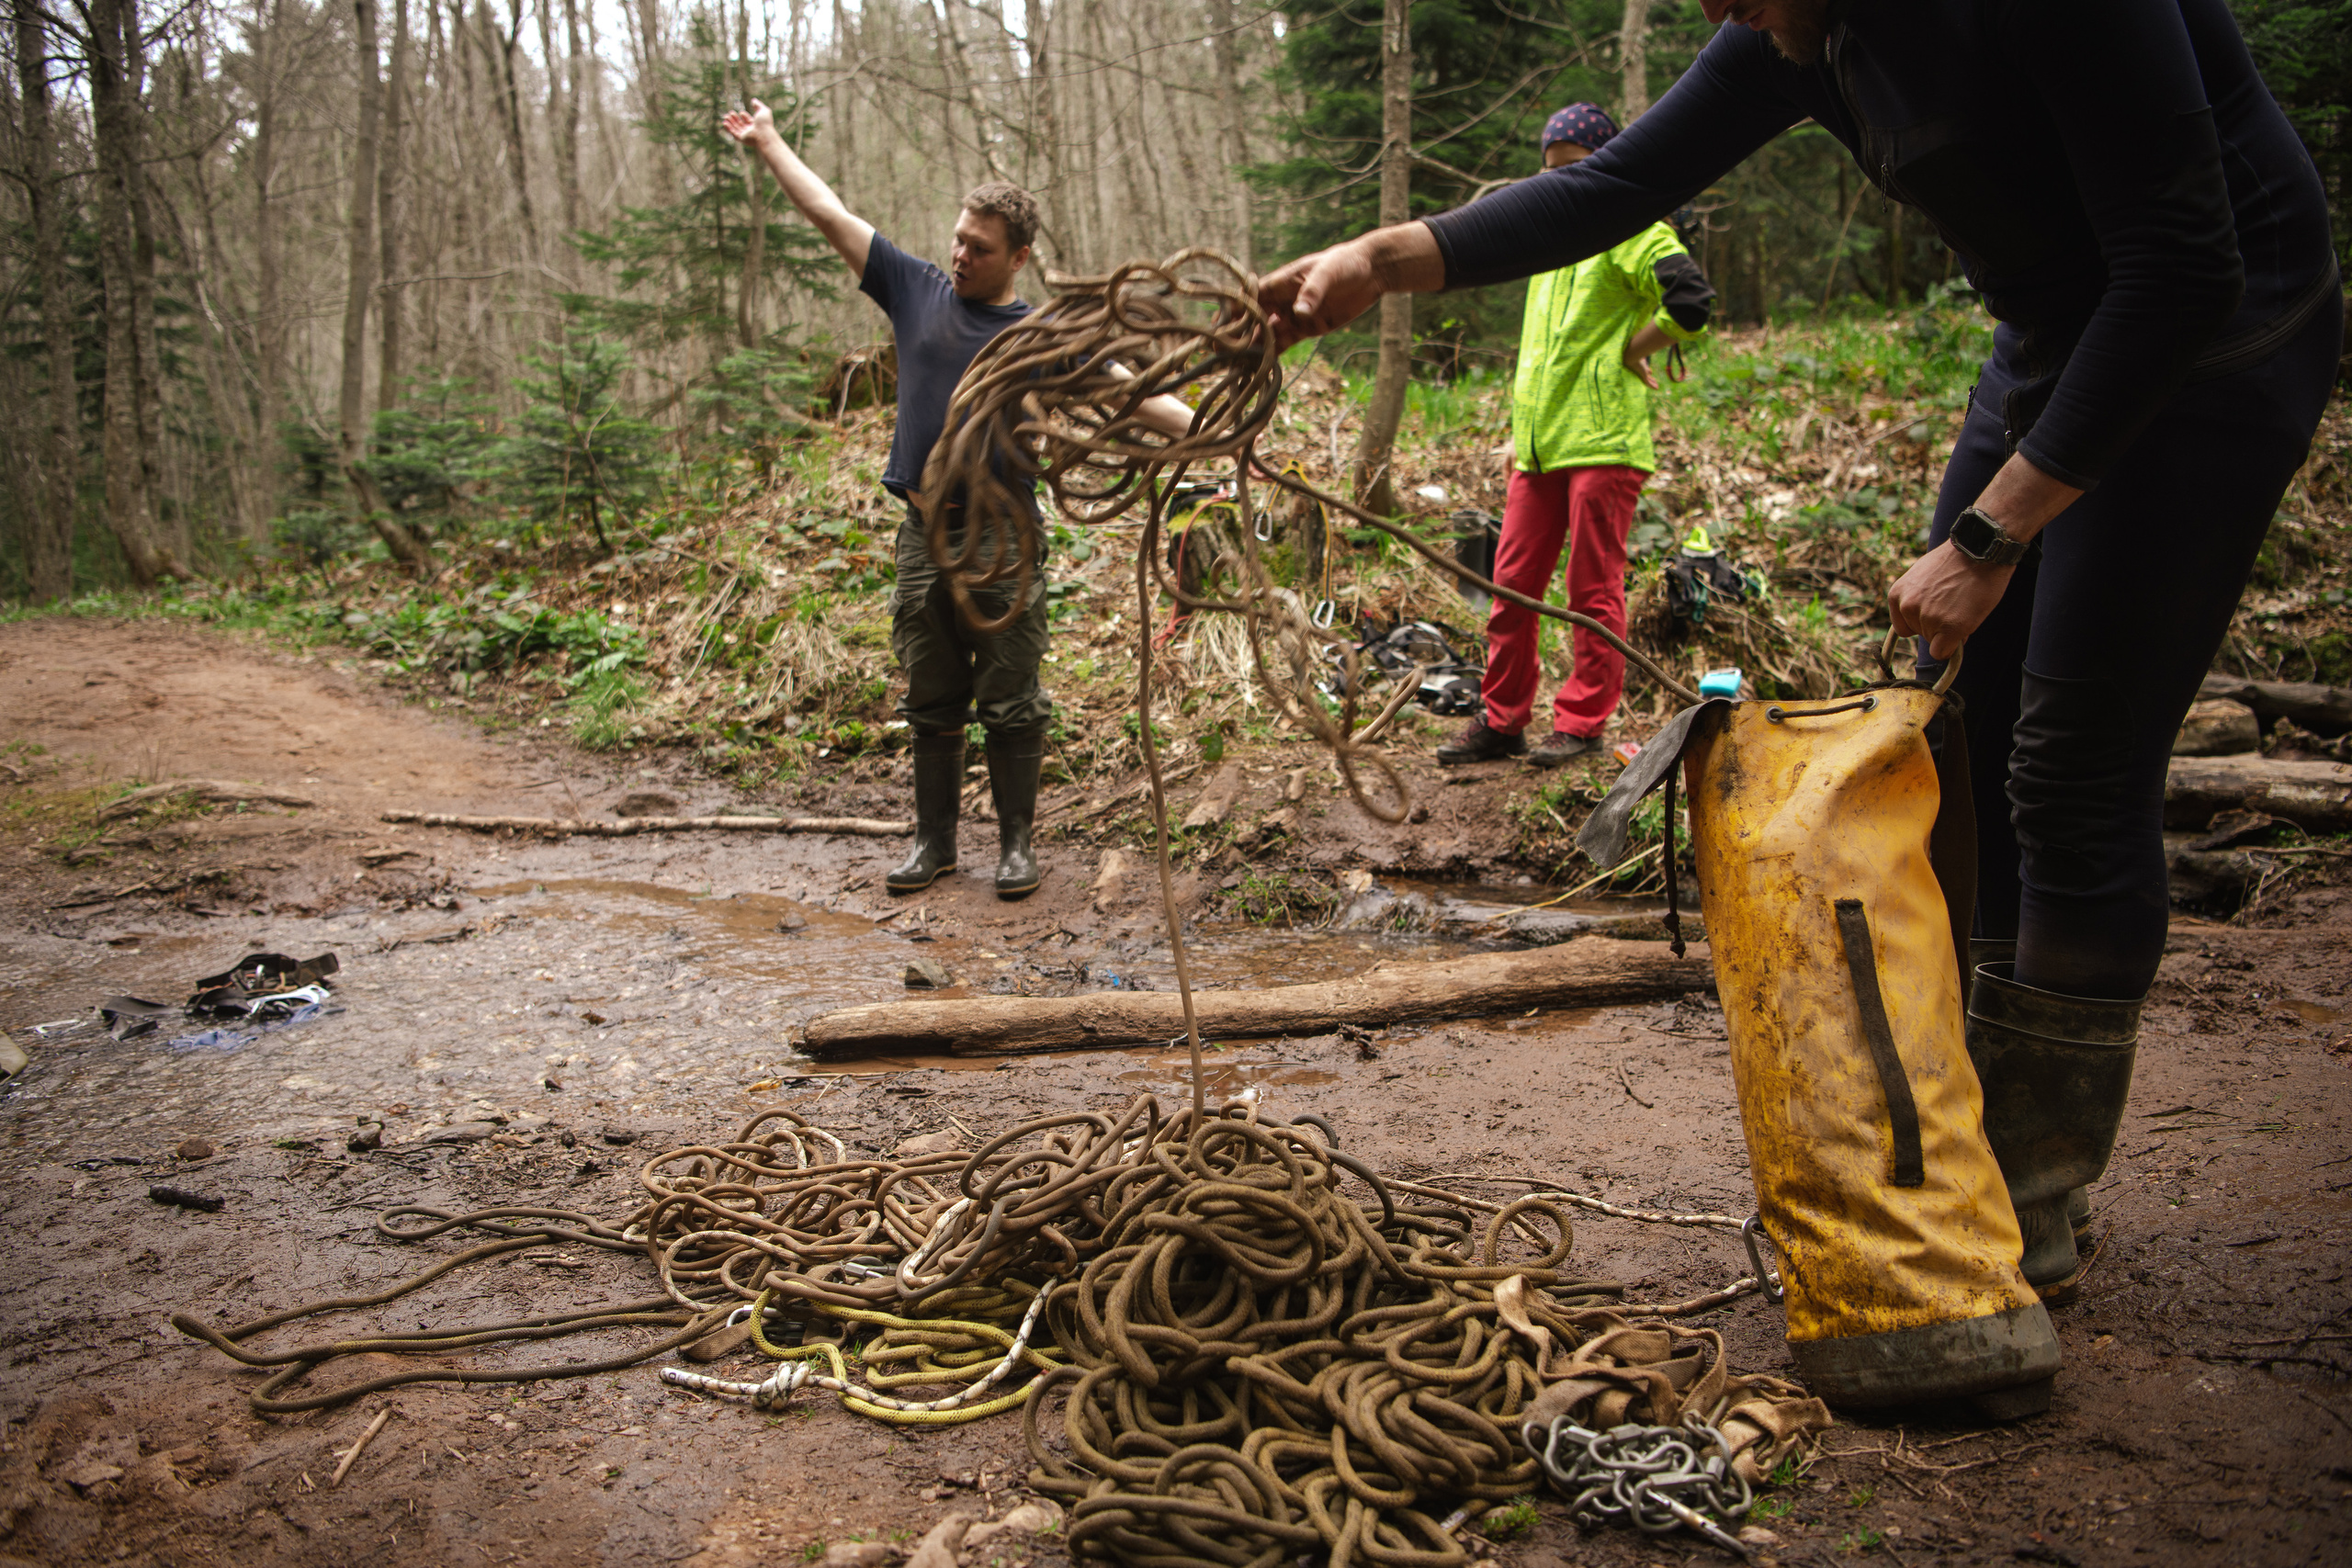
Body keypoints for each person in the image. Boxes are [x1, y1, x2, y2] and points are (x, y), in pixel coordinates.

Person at [1260, 0, 2339, 1295]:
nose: (1717, 10)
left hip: (2219, 338)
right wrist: (1385, 256)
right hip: (2052, 337)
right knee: (1963, 742)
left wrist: (1991, 537)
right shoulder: (1794, 25)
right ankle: (1969, 1144)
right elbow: (1616, 184)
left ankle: (2032, 1183)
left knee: (2070, 762)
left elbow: (2182, 265)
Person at [721, 101, 1193, 899]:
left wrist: (1222, 428)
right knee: (930, 692)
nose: (961, 253)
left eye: (979, 247)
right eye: (958, 239)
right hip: (921, 531)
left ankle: (1015, 846)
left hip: (1002, 539)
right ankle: (933, 843)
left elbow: (1135, 397)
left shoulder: (1039, 338)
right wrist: (769, 142)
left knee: (1011, 695)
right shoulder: (916, 291)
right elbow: (828, 211)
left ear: (1020, 258)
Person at [1438, 103, 1715, 769]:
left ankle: (1583, 721)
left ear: (1607, 162)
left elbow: (1691, 300)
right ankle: (1502, 721)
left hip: (1604, 443)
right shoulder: (1547, 241)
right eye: (1552, 171)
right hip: (1538, 447)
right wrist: (1516, 433)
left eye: (1578, 167)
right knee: (1510, 584)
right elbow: (1540, 353)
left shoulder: (1631, 228)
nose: (1564, 181)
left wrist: (1633, 348)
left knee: (1592, 588)